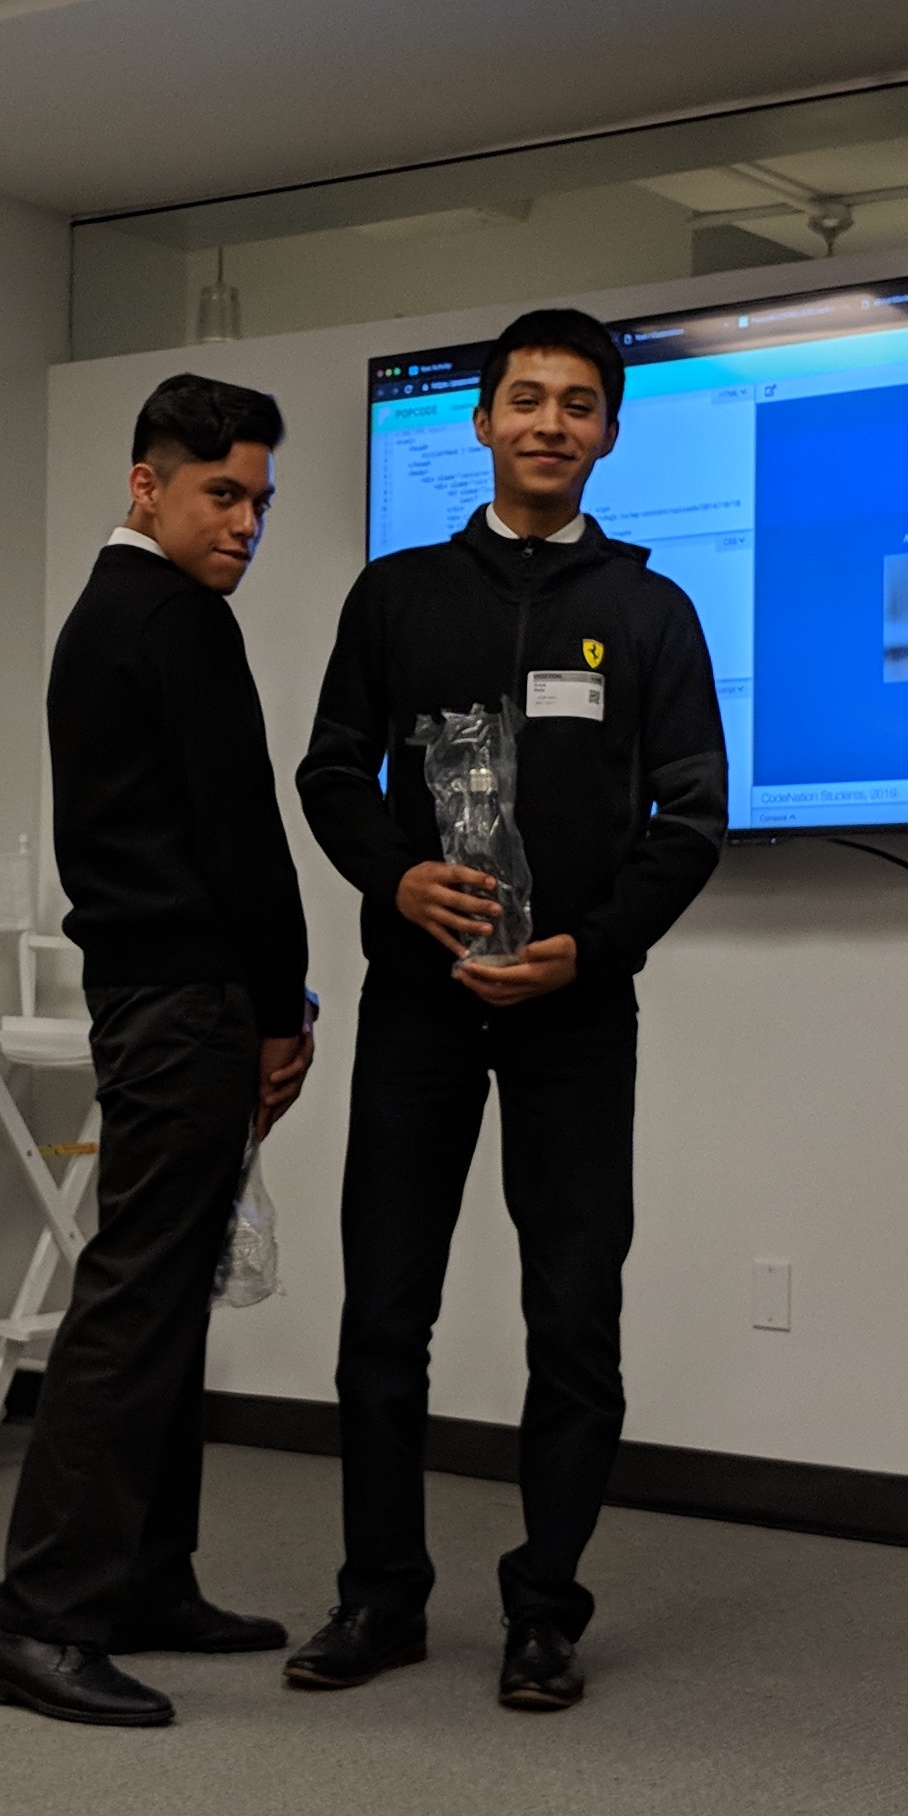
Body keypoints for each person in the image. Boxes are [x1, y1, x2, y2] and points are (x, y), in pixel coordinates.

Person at [289, 308, 725, 1710]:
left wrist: (590, 951)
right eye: (523, 398)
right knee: (382, 1315)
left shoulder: (651, 610)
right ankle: (381, 1598)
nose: (548, 422)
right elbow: (329, 774)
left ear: (606, 432)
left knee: (573, 1316)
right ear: (476, 422)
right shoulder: (397, 594)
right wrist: (394, 878)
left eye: (577, 403)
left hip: (574, 1013)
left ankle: (545, 1609)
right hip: (417, 1001)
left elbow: (692, 820)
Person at [0, 373, 315, 1731]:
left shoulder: (116, 613)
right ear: (145, 485)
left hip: (160, 993)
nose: (244, 524)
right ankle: (38, 1619)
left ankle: (145, 1580)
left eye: (259, 501)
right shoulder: (172, 618)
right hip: (186, 997)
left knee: (165, 1292)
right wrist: (283, 1007)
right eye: (221, 495)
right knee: (135, 1297)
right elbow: (242, 835)